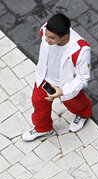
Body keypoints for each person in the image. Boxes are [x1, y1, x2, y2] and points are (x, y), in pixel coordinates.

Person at [22, 13, 92, 142]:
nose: (46, 39)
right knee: (38, 103)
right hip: (45, 78)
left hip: (65, 83)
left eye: (51, 38)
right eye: (47, 35)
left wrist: (63, 91)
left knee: (75, 103)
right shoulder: (44, 30)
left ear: (65, 36)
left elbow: (83, 78)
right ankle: (43, 128)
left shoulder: (81, 50)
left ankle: (83, 114)